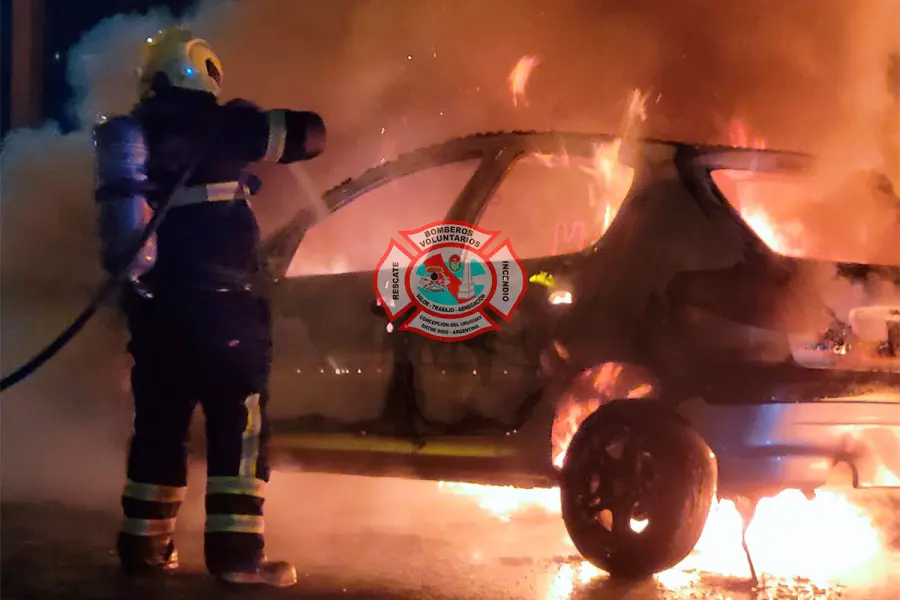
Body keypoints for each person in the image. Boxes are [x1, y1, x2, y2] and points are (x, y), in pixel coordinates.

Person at [92, 26, 326, 587]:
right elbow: (312, 135)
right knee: (237, 427)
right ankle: (237, 559)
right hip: (223, 308)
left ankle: (145, 550)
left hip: (155, 309)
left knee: (158, 427)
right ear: (202, 68)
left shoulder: (135, 134)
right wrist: (248, 116)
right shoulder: (226, 124)